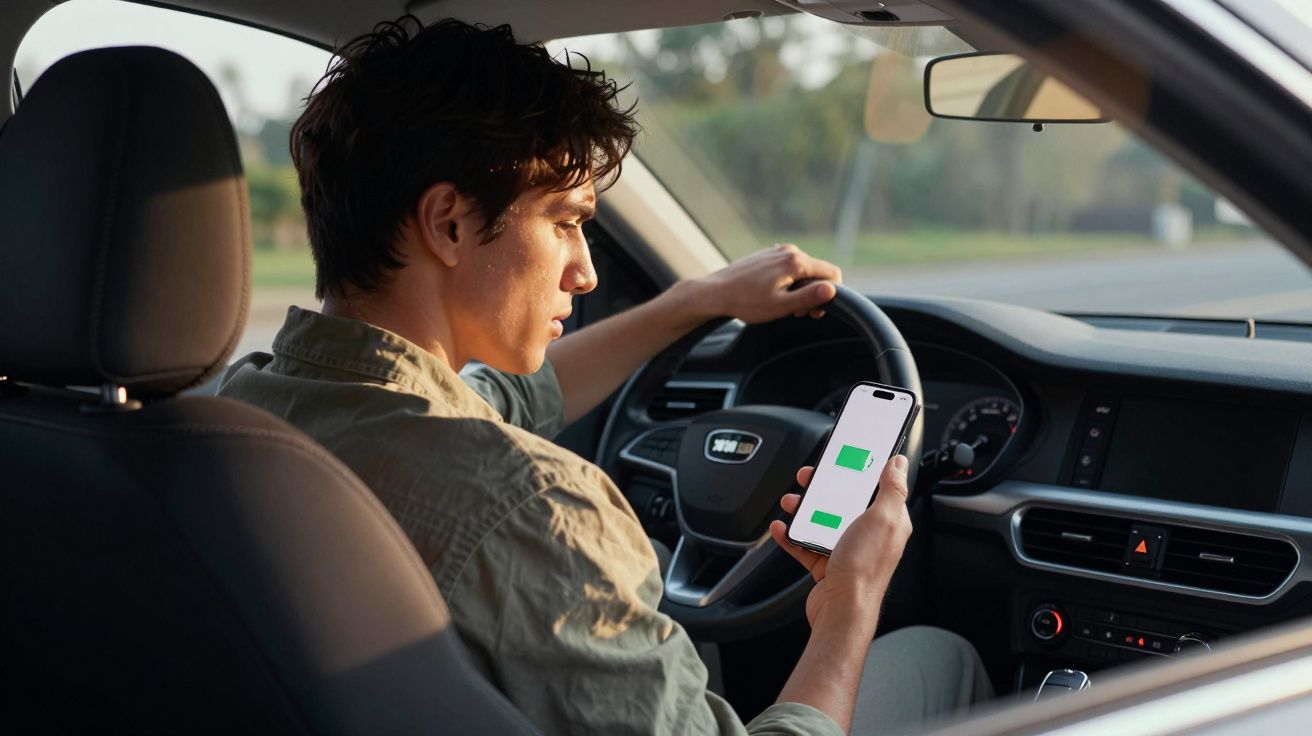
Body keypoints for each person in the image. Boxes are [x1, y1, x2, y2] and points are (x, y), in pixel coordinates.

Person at [219, 16, 990, 735]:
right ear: (448, 222)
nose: (585, 272)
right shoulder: (533, 508)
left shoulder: (248, 410)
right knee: (937, 656)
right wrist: (848, 602)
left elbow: (504, 401)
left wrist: (697, 299)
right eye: (565, 221)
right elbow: (492, 466)